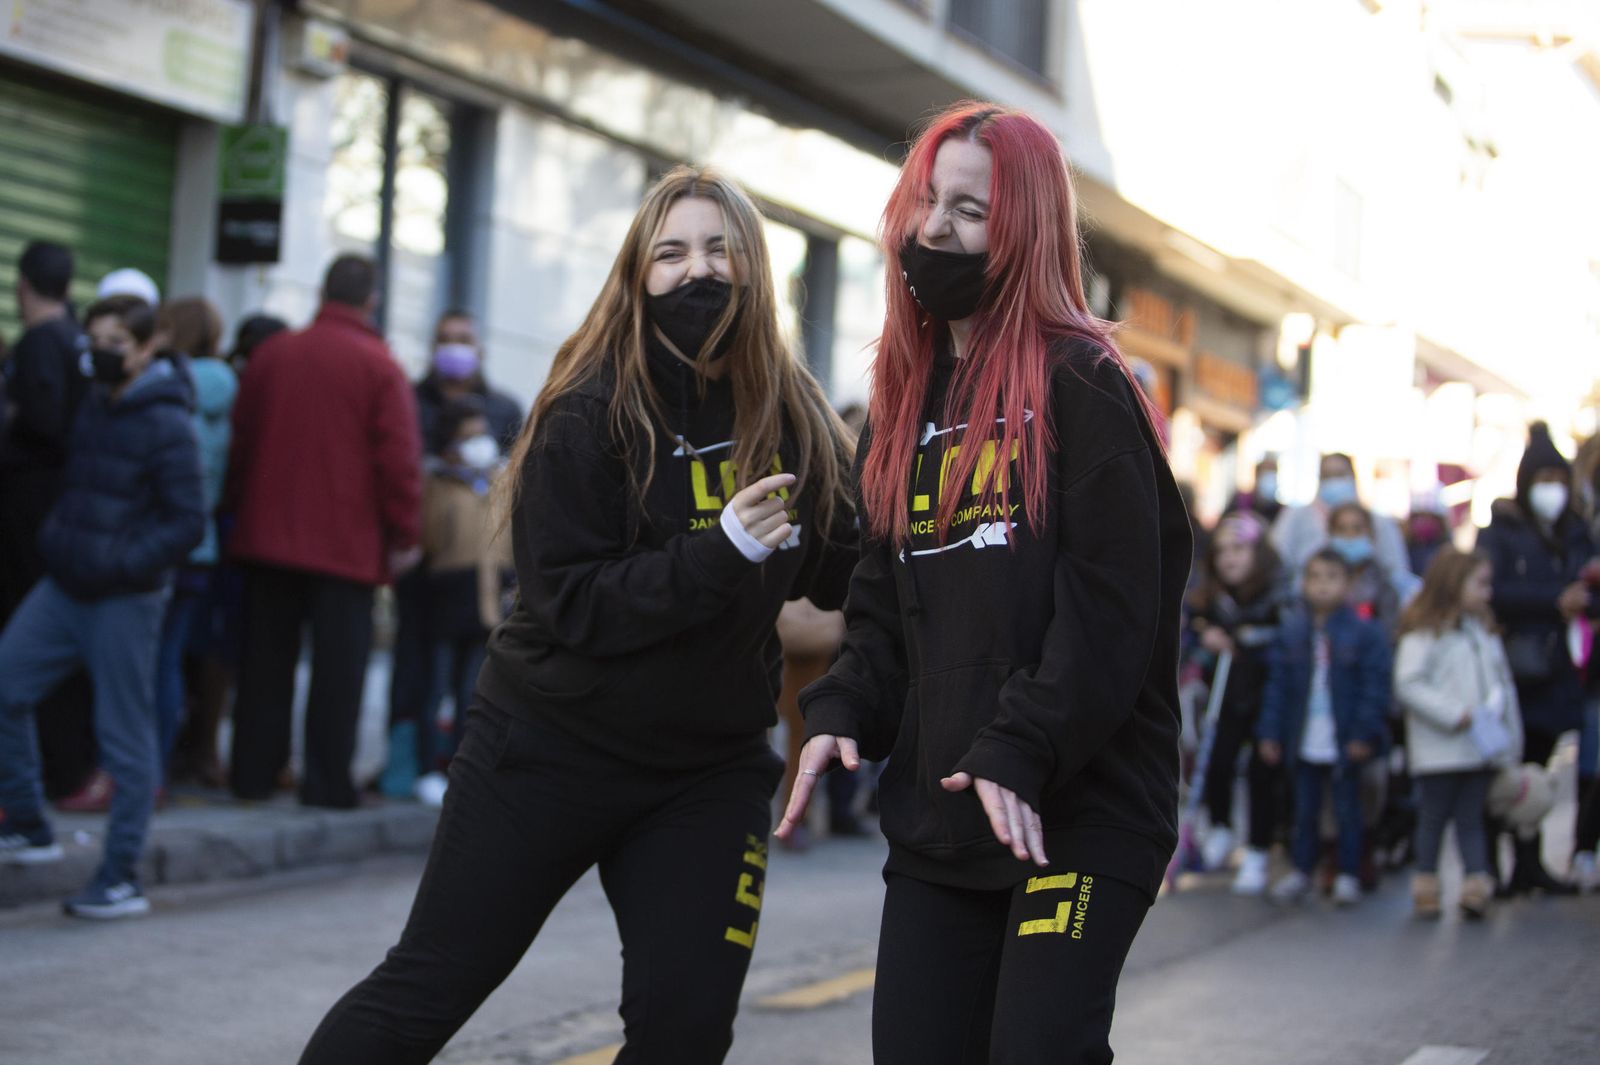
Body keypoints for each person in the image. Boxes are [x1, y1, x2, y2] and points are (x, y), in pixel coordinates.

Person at [296, 166, 857, 1065]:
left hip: (704, 773)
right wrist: (722, 554)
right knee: (429, 985)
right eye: (670, 253)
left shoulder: (792, 416)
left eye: (720, 250)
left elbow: (849, 576)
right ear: (637, 275)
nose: (696, 272)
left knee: (686, 1030)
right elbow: (573, 604)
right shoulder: (588, 409)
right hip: (549, 746)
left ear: (755, 270)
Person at [778, 102, 1191, 1065]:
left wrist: (1022, 742)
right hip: (943, 818)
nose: (937, 229)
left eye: (970, 210)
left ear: (1025, 232)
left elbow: (1112, 613)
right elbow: (883, 610)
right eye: (929, 200)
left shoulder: (1084, 384)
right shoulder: (904, 403)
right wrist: (842, 707)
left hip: (1081, 808)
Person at [0, 295, 203, 917]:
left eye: (116, 342)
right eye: (95, 340)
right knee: (7, 683)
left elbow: (186, 521)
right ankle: (30, 821)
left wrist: (119, 563)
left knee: (125, 738)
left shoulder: (169, 422)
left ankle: (120, 876)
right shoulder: (95, 403)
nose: (100, 353)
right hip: (65, 585)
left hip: (124, 599)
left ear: (146, 349)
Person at [225, 255, 423, 809]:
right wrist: (405, 535)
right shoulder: (379, 366)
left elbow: (240, 445)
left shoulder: (273, 354)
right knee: (338, 672)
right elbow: (398, 463)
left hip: (266, 538)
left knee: (264, 663)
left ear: (322, 290)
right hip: (345, 547)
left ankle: (252, 774)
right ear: (371, 300)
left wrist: (237, 510)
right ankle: (326, 783)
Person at [382, 309, 524, 800]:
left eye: (463, 339)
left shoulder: (504, 407)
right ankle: (408, 765)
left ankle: (466, 766)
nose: (455, 348)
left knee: (475, 686)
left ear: (479, 346)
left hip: (486, 584)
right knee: (418, 677)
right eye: (446, 339)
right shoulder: (412, 402)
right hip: (429, 580)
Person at [1474, 422, 1595, 895]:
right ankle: (1489, 867)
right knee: (1503, 771)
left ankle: (1530, 862)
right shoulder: (1501, 531)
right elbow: (1491, 590)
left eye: (1559, 480)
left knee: (1540, 773)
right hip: (1514, 668)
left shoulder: (1577, 533)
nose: (1554, 491)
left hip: (1560, 669)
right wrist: (1552, 601)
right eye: (1544, 480)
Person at [0, 240, 98, 804]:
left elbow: (43, 422)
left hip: (32, 522)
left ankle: (41, 779)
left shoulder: (41, 343)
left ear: (23, 285)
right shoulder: (77, 341)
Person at [1257, 549, 1391, 907]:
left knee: (1348, 808)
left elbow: (1374, 689)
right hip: (1303, 737)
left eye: (1331, 577)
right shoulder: (1293, 632)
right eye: (1314, 577)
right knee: (1305, 809)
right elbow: (1277, 687)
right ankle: (1302, 870)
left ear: (1348, 584)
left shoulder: (1365, 633)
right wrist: (1270, 733)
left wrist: (1364, 734)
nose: (1322, 586)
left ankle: (1348, 872)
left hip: (1344, 737)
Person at [1392, 549, 1521, 919]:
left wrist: (1507, 738)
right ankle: (1426, 883)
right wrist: (1454, 714)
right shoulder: (1425, 632)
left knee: (1471, 816)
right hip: (1440, 747)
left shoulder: (1482, 630)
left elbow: (1502, 686)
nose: (1487, 593)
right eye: (1479, 583)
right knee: (1434, 815)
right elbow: (1409, 683)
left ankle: (1476, 882)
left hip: (1479, 745)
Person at [410, 396, 513, 806]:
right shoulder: (436, 485)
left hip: (488, 603)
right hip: (446, 599)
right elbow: (428, 540)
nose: (480, 443)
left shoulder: (500, 481)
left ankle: (462, 767)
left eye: (481, 433)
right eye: (468, 436)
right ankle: (427, 767)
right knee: (435, 689)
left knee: (474, 692)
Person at [152, 298, 237, 781]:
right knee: (171, 660)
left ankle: (142, 770)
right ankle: (158, 768)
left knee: (153, 663)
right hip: (200, 545)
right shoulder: (224, 394)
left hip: (164, 543)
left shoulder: (169, 390)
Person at [1183, 511, 1287, 894]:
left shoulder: (1279, 592)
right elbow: (1191, 632)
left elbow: (1281, 640)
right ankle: (1222, 828)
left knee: (1263, 773)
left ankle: (1258, 849)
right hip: (1223, 696)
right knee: (1218, 762)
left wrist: (1239, 640)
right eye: (1223, 550)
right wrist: (1205, 636)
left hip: (1266, 698)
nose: (1230, 558)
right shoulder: (1211, 597)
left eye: (1240, 549)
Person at [1272, 451, 1410, 583]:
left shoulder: (1379, 521)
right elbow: (1278, 556)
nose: (1334, 482)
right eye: (1327, 476)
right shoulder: (1297, 516)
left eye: (1340, 475)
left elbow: (1396, 570)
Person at [1326, 500, 1418, 636]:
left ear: (1371, 534)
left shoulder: (1385, 582)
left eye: (1357, 529)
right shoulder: (1318, 577)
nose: (1350, 536)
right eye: (1342, 529)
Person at [1227, 455, 1284, 525]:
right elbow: (1226, 523)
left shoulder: (1281, 510)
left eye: (1273, 474)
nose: (1270, 481)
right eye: (1266, 473)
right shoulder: (1241, 500)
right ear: (1257, 476)